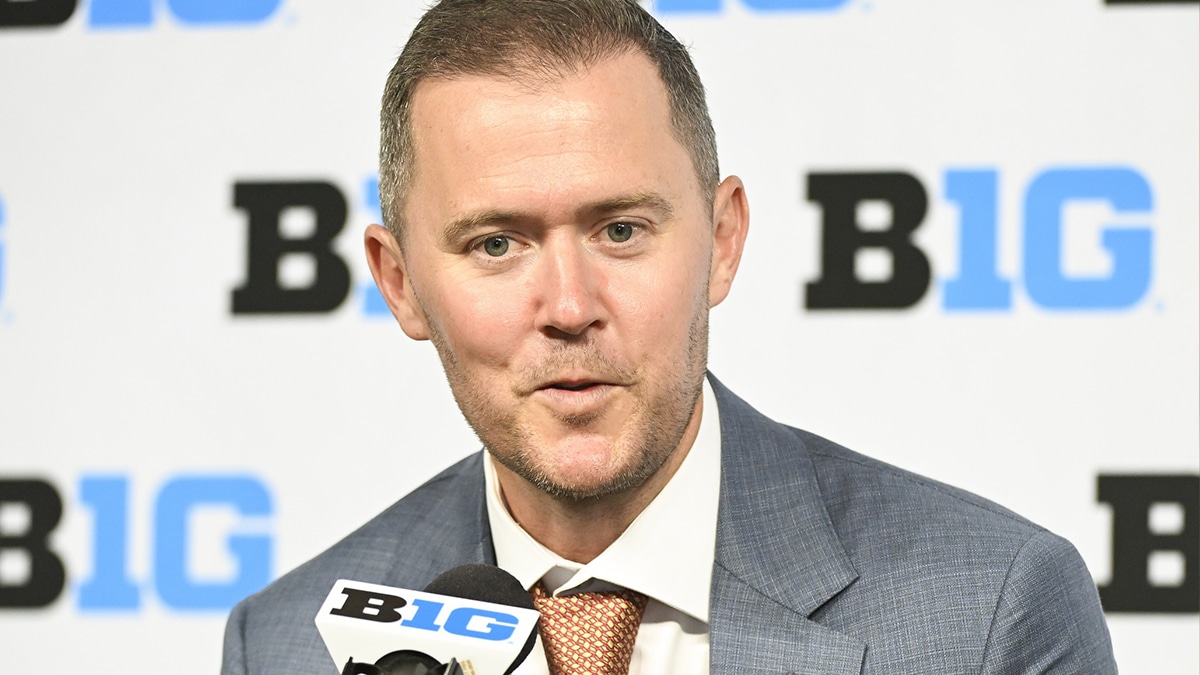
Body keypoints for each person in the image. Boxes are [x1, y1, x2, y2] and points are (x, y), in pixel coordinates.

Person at [221, 1, 1117, 672]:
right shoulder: (283, 643)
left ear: (722, 241)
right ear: (401, 283)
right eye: (496, 244)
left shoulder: (989, 612)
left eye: (621, 230)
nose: (568, 305)